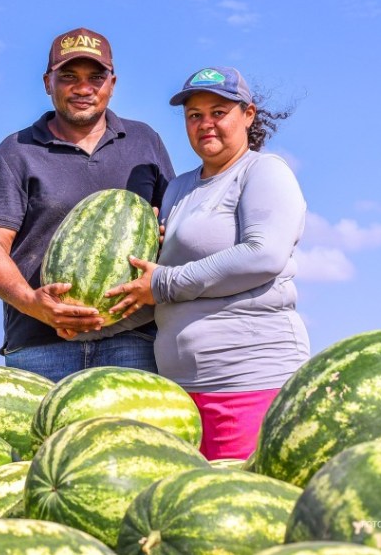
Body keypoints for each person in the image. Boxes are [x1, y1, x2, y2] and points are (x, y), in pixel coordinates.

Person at [105, 65, 309, 460]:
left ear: (248, 115)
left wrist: (163, 282)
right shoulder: (180, 187)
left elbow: (263, 254)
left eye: (219, 112)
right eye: (194, 115)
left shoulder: (263, 171)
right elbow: (158, 276)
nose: (206, 124)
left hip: (249, 382)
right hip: (181, 395)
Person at [0, 27, 175, 383]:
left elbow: (174, 224)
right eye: (69, 77)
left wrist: (163, 236)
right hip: (41, 346)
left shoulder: (145, 142)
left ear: (112, 83)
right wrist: (31, 302)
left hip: (135, 341)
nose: (83, 89)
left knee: (130, 440)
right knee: (46, 439)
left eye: (95, 77)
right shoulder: (14, 152)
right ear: (48, 82)